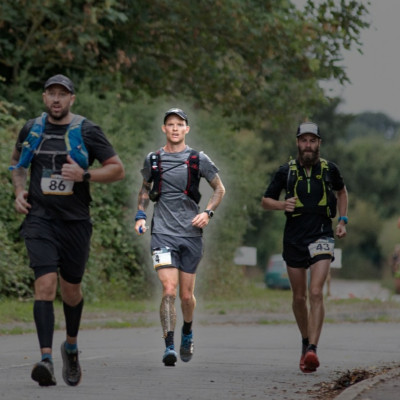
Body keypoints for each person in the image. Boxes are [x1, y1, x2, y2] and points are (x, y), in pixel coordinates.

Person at [9, 74, 125, 386]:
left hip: (75, 222)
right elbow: (18, 164)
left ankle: (70, 348)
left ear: (72, 98)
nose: (56, 99)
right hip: (40, 219)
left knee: (71, 290)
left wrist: (85, 174)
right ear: (44, 97)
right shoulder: (32, 128)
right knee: (45, 286)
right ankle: (45, 359)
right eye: (51, 94)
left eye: (63, 94)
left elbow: (117, 169)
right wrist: (19, 192)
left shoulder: (87, 130)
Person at [134, 108, 225, 366]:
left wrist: (207, 213)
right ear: (164, 128)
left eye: (180, 124)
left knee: (186, 296)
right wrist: (140, 215)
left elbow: (219, 189)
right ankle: (169, 346)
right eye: (170, 124)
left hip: (190, 234)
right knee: (169, 289)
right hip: (162, 232)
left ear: (187, 129)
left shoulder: (198, 159)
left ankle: (187, 330)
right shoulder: (153, 159)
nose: (175, 128)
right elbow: (145, 189)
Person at [261, 121, 348, 373]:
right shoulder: (285, 171)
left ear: (319, 143)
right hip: (294, 237)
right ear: (298, 143)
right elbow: (265, 201)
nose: (308, 145)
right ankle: (304, 340)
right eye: (304, 140)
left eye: (312, 140)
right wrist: (281, 205)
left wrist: (342, 220)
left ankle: (312, 349)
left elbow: (342, 192)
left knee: (316, 292)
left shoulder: (330, 169)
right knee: (299, 297)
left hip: (321, 232)